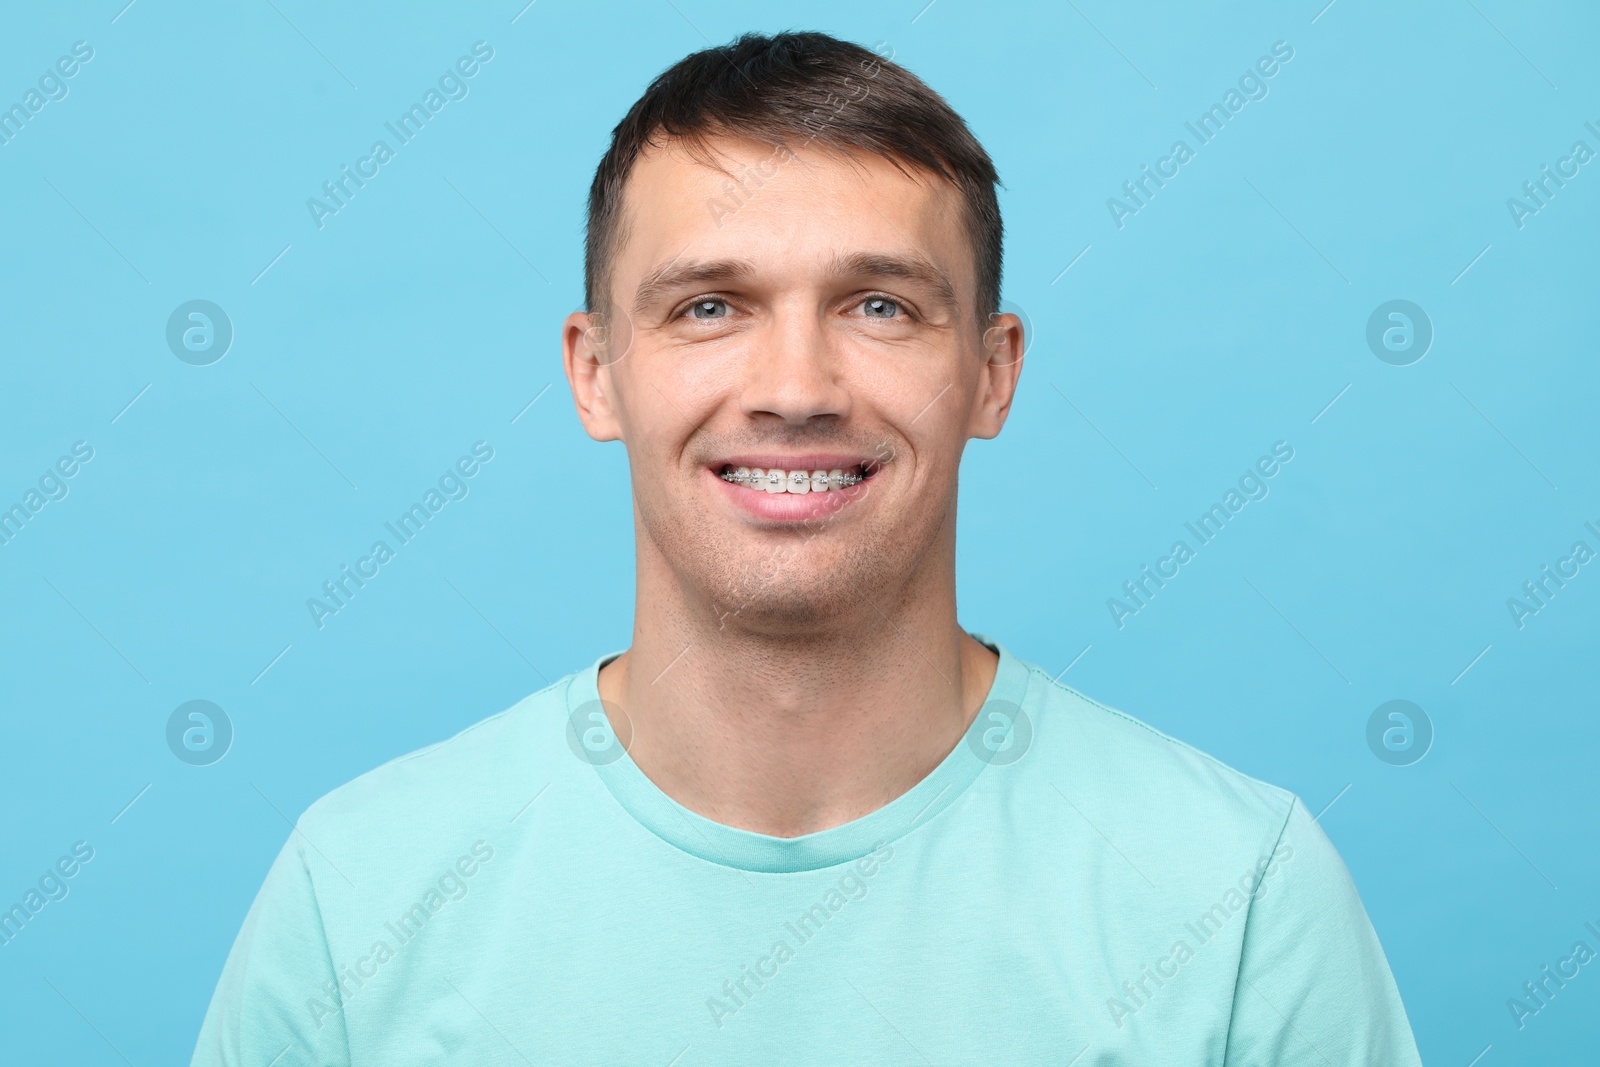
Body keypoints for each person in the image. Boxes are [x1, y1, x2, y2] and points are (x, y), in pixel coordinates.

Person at [192, 30, 1423, 1065]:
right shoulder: (360, 894)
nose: (794, 386)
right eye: (708, 307)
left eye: (879, 305)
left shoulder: (1240, 896)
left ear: (989, 374)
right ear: (594, 370)